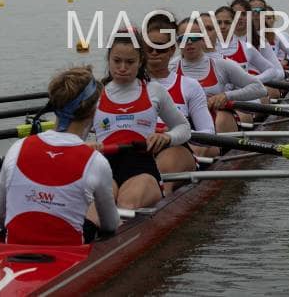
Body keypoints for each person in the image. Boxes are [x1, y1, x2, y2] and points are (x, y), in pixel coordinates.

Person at [0, 66, 118, 245]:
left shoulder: (17, 148)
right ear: (93, 110)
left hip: (15, 249)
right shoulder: (96, 161)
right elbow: (110, 225)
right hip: (70, 252)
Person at [94, 28, 191, 209]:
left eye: (130, 62)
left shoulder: (154, 91)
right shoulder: (95, 94)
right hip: (104, 166)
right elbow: (73, 137)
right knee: (97, 207)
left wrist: (167, 137)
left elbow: (184, 128)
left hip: (141, 167)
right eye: (117, 61)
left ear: (140, 62)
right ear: (109, 59)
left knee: (126, 204)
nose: (123, 68)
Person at [145, 15, 217, 191]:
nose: (154, 52)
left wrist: (172, 135)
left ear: (172, 50)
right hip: (139, 150)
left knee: (161, 170)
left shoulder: (189, 85)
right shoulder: (128, 86)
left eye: (160, 48)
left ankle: (163, 194)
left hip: (176, 149)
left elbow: (208, 133)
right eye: (149, 47)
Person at [176, 18, 266, 133]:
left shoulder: (221, 65)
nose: (189, 42)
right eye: (183, 38)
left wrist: (226, 96)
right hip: (182, 122)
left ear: (203, 38)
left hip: (216, 121)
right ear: (178, 42)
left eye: (194, 37)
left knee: (223, 118)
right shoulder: (170, 68)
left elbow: (260, 89)